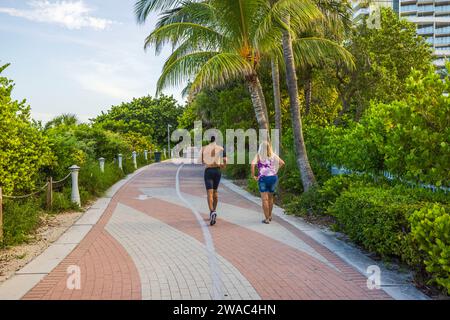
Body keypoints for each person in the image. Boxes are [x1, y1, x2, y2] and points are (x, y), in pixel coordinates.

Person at [251, 141, 285, 224]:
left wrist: (253, 176)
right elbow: (282, 163)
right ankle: (269, 216)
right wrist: (275, 170)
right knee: (270, 198)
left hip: (263, 179)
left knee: (264, 199)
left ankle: (266, 219)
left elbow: (252, 164)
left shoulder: (259, 155)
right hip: (273, 178)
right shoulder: (273, 155)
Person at [199, 136, 227, 226]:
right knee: (215, 192)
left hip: (208, 171)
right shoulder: (221, 148)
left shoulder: (204, 148)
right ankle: (214, 210)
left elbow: (201, 161)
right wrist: (223, 165)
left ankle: (212, 212)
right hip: (217, 171)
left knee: (209, 193)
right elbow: (225, 160)